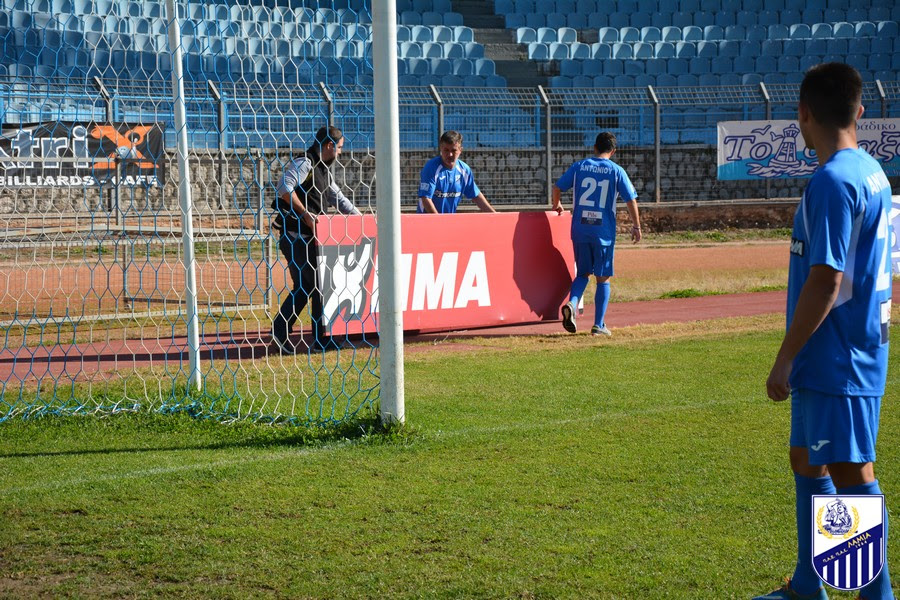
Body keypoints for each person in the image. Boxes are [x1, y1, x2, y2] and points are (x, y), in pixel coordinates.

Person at [758, 63, 893, 600]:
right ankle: (808, 585)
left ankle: (877, 594)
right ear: (860, 111)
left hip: (837, 353)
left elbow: (828, 278)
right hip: (844, 348)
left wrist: (785, 356)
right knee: (808, 458)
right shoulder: (868, 170)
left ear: (803, 113)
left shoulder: (834, 180)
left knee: (850, 470)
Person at [271, 125, 361, 354]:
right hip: (295, 237)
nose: (340, 153)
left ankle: (289, 333)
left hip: (309, 238)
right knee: (314, 286)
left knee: (310, 287)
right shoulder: (306, 163)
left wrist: (362, 219)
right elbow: (283, 186)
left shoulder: (323, 169)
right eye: (339, 148)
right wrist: (305, 214)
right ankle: (312, 338)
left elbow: (337, 197)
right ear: (329, 145)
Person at [552, 131, 641, 337]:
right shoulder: (616, 171)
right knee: (603, 278)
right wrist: (636, 225)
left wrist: (556, 205)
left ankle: (572, 304)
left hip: (580, 230)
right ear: (613, 151)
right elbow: (630, 199)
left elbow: (557, 187)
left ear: (594, 148)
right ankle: (598, 325)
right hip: (603, 233)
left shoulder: (579, 166)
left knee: (582, 273)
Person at [417, 130, 497, 214]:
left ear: (460, 150)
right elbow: (426, 198)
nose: (450, 154)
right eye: (446, 150)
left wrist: (495, 215)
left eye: (454, 150)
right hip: (428, 222)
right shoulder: (431, 168)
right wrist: (438, 221)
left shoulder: (464, 170)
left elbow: (476, 196)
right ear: (441, 148)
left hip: (448, 222)